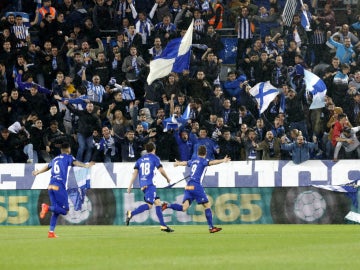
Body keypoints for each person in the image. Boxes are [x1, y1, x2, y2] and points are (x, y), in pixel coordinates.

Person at [162, 145, 230, 233]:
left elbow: (185, 163)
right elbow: (213, 162)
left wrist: (178, 164)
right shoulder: (204, 161)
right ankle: (211, 227)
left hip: (188, 185)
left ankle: (167, 205)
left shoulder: (193, 160)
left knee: (184, 208)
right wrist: (223, 160)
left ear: (197, 153)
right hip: (196, 185)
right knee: (207, 205)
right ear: (205, 153)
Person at [32, 142, 95, 238]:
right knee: (65, 210)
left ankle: (51, 232)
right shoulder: (68, 157)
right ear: (68, 149)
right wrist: (86, 166)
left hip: (50, 186)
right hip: (59, 186)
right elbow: (76, 162)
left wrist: (37, 172)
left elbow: (47, 167)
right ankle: (46, 207)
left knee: (56, 211)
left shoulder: (55, 159)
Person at [126, 142, 174, 233]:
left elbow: (134, 174)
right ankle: (131, 213)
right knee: (149, 205)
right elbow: (161, 170)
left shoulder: (140, 160)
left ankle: (163, 226)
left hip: (143, 184)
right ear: (154, 149)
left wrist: (129, 186)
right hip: (150, 184)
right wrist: (167, 178)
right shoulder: (155, 158)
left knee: (158, 203)